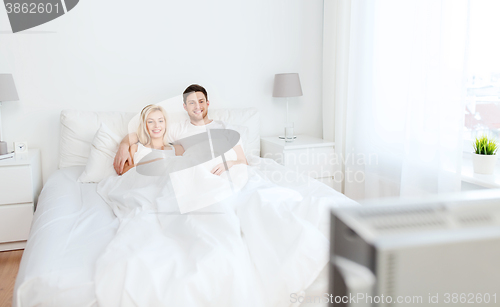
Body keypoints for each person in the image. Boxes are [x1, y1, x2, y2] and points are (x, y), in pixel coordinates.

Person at [114, 84, 248, 175]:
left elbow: (243, 161)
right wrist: (123, 145)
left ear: (207, 103)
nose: (197, 106)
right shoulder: (178, 129)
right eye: (192, 103)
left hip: (227, 173)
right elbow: (145, 133)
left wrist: (230, 164)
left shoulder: (225, 128)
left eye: (201, 101)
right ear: (185, 106)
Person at [121, 104, 184, 174]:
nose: (156, 125)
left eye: (160, 121)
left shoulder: (177, 149)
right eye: (150, 122)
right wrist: (153, 163)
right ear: (144, 125)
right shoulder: (135, 148)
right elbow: (123, 172)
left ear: (165, 124)